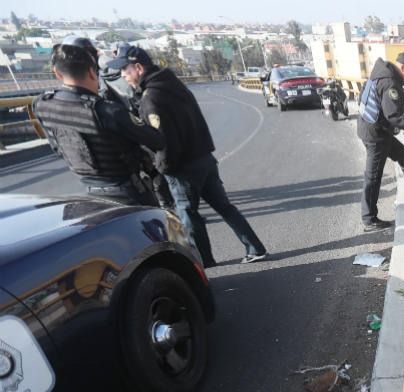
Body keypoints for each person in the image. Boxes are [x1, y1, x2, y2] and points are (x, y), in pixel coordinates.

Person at [109, 43, 268, 266]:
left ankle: (203, 261)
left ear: (138, 67)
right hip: (204, 158)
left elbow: (162, 140)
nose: (122, 75)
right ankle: (255, 248)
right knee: (224, 207)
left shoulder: (151, 97)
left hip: (182, 167)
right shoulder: (170, 84)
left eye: (125, 69)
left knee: (188, 214)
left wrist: (163, 169)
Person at [33, 43, 165, 206]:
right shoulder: (106, 110)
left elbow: (57, 148)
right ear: (92, 71)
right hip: (128, 192)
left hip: (91, 193)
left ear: (57, 74)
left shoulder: (42, 105)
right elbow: (156, 140)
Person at [356, 52, 404, 231]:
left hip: (374, 129)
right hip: (376, 135)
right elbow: (395, 117)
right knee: (373, 176)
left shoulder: (381, 74)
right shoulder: (390, 83)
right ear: (403, 68)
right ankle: (369, 219)